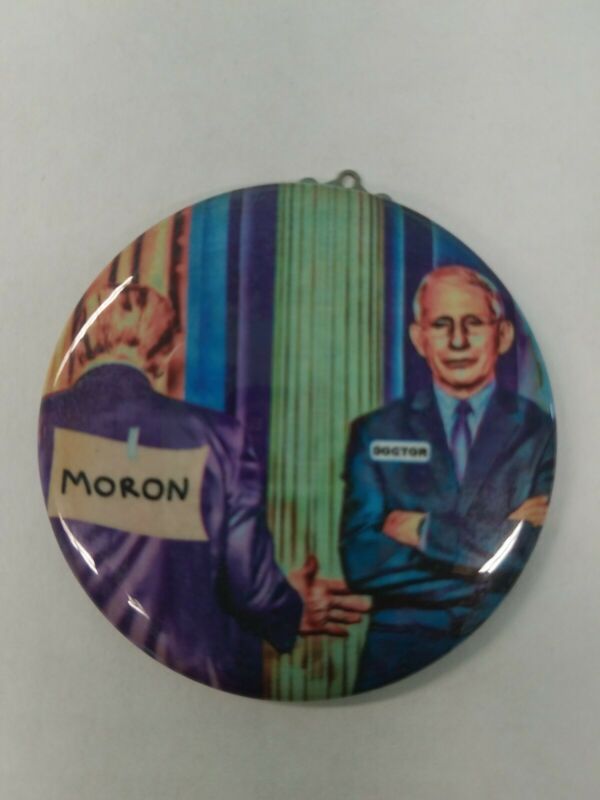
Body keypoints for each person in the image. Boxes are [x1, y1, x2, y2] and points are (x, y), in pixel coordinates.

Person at [39, 283, 369, 697]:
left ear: (84, 346)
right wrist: (289, 608)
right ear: (166, 353)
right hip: (191, 677)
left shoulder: (42, 423)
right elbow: (250, 588)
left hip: (57, 665)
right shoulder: (220, 438)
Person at [340, 265, 555, 693]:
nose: (458, 340)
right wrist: (486, 557)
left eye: (473, 322)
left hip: (513, 648)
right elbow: (362, 562)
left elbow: (530, 555)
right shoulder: (376, 431)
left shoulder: (539, 432)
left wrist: (422, 530)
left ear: (502, 335)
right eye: (442, 324)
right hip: (396, 657)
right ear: (419, 338)